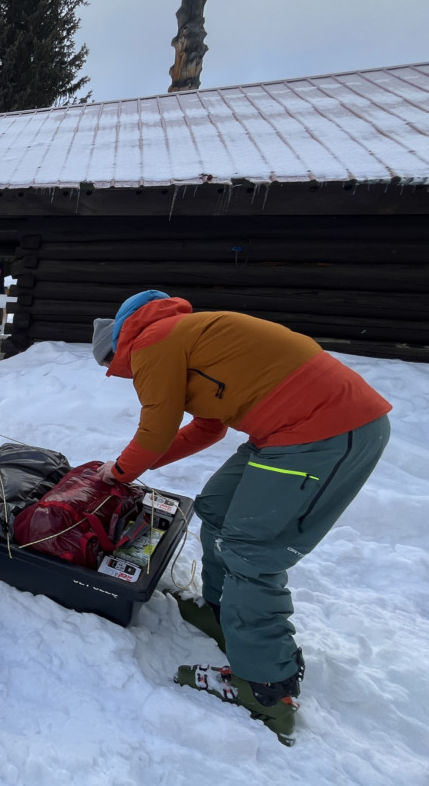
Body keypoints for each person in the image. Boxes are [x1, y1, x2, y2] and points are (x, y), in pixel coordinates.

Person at [92, 290, 391, 743]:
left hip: (323, 429)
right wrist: (139, 465)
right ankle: (223, 610)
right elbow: (207, 427)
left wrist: (118, 473)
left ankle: (266, 686)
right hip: (290, 427)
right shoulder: (179, 333)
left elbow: (155, 430)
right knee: (217, 508)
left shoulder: (153, 343)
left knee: (251, 548)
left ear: (117, 350)